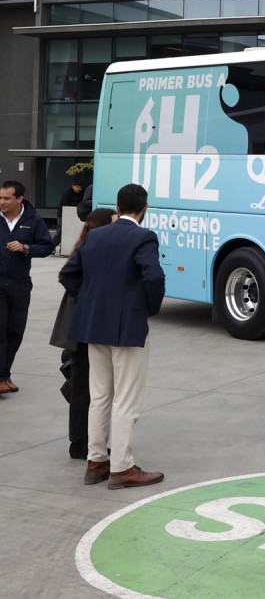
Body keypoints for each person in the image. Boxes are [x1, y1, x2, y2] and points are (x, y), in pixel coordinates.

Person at [59, 184, 166, 489]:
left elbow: (68, 273)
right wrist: (146, 308)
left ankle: (96, 461)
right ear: (144, 208)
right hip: (127, 328)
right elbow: (154, 276)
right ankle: (122, 467)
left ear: (118, 207)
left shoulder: (95, 234)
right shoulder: (144, 236)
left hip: (94, 326)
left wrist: (91, 300)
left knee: (100, 396)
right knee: (126, 399)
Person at [48, 207, 117, 459]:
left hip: (79, 326)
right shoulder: (92, 250)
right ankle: (80, 441)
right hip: (83, 327)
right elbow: (67, 277)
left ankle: (81, 440)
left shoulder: (86, 246)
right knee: (84, 386)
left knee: (83, 385)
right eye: (113, 222)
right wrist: (88, 297)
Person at [1, 180, 55, 395]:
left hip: (20, 285)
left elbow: (47, 246)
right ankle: (1, 378)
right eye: (0, 198)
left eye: (7, 198)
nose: (2, 202)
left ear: (19, 199)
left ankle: (5, 374)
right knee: (0, 331)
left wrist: (26, 248)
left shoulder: (33, 220)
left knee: (15, 332)